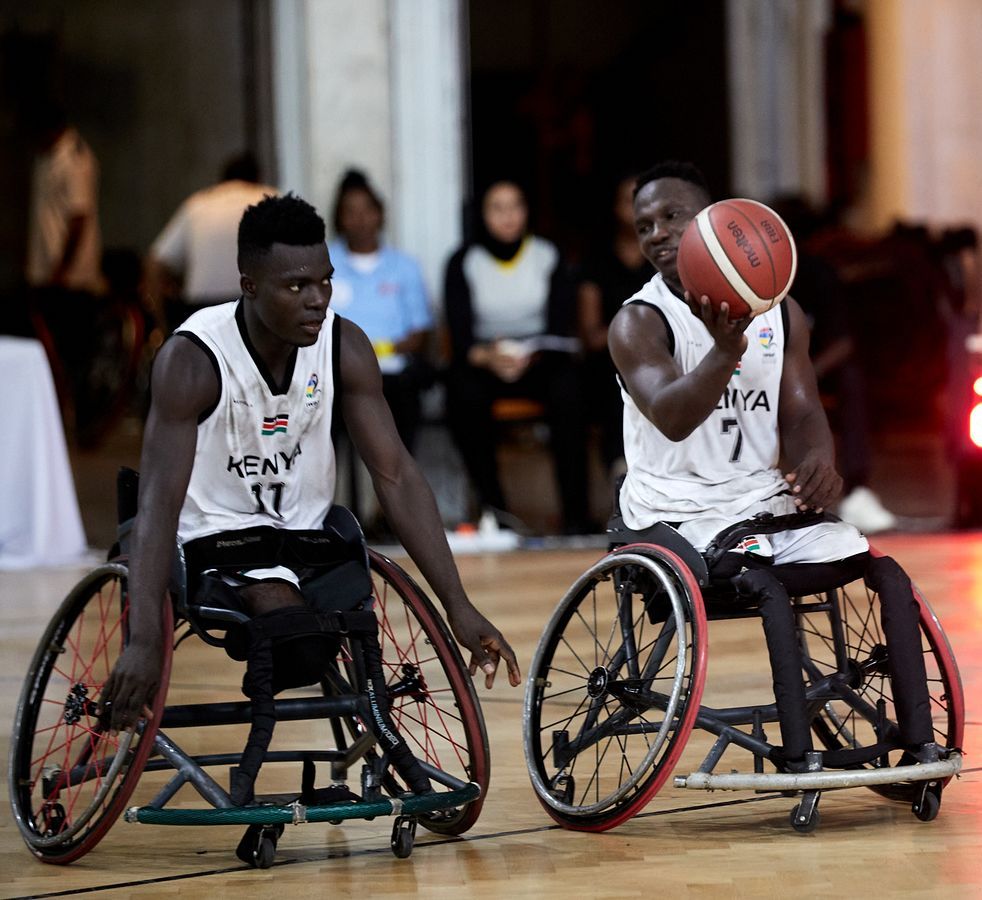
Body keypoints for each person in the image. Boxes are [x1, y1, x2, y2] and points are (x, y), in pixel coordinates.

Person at [99, 193, 520, 741]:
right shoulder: (193, 359)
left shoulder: (344, 346)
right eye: (296, 286)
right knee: (296, 636)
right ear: (249, 284)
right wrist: (143, 642)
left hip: (302, 538)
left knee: (325, 629)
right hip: (209, 539)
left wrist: (459, 607)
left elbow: (396, 475)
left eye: (324, 281)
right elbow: (155, 500)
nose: (317, 299)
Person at [607, 161, 938, 768]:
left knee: (879, 565)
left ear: (712, 221)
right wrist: (724, 352)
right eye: (643, 224)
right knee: (760, 580)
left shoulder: (783, 313)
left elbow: (804, 410)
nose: (656, 232)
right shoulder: (638, 321)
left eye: (671, 216)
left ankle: (919, 742)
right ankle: (798, 754)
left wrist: (820, 459)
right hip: (673, 513)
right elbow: (672, 415)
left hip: (758, 504)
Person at [443, 180, 590, 534]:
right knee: (461, 394)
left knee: (570, 390)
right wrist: (488, 357)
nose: (507, 216)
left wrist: (531, 354)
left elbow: (560, 323)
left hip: (539, 361)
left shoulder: (547, 254)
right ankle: (497, 514)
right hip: (486, 361)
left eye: (515, 206)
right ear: (482, 214)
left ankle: (576, 517)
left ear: (526, 212)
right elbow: (460, 335)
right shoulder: (464, 261)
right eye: (497, 207)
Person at [771, 196, 897, 534]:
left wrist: (805, 375)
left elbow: (844, 343)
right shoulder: (754, 274)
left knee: (852, 379)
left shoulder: (818, 273)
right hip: (756, 370)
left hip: (811, 372)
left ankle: (857, 491)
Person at [328, 169, 433, 454]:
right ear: (339, 218)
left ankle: (391, 490)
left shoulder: (404, 266)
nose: (360, 219)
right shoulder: (324, 264)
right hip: (338, 371)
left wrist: (387, 348)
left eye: (367, 210)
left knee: (403, 403)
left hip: (393, 371)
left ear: (380, 214)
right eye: (350, 212)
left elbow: (420, 332)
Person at [25, 103, 105, 418]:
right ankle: (56, 413)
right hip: (47, 271)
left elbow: (79, 217)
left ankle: (82, 415)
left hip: (70, 276)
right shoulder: (47, 155)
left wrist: (62, 267)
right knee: (51, 348)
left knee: (74, 350)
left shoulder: (74, 158)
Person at [145, 152, 277, 333]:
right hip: (255, 309)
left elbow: (155, 263)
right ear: (258, 179)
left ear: (221, 181)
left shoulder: (197, 204)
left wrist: (161, 324)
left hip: (201, 312)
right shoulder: (272, 198)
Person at [577, 174, 651, 476]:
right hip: (610, 361)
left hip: (661, 358)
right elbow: (591, 335)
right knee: (618, 376)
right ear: (614, 207)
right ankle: (620, 469)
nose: (635, 209)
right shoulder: (597, 260)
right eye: (627, 200)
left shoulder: (668, 259)